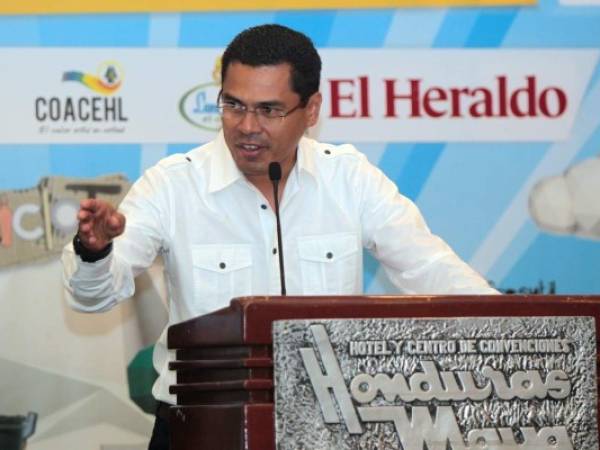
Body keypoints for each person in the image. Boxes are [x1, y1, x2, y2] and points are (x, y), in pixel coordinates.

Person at [62, 24, 498, 450]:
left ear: (311, 111)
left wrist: (523, 329)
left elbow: (431, 270)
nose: (247, 125)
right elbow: (92, 297)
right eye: (233, 105)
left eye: (269, 110)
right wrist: (95, 251)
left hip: (327, 425)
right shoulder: (173, 186)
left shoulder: (349, 179)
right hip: (200, 427)